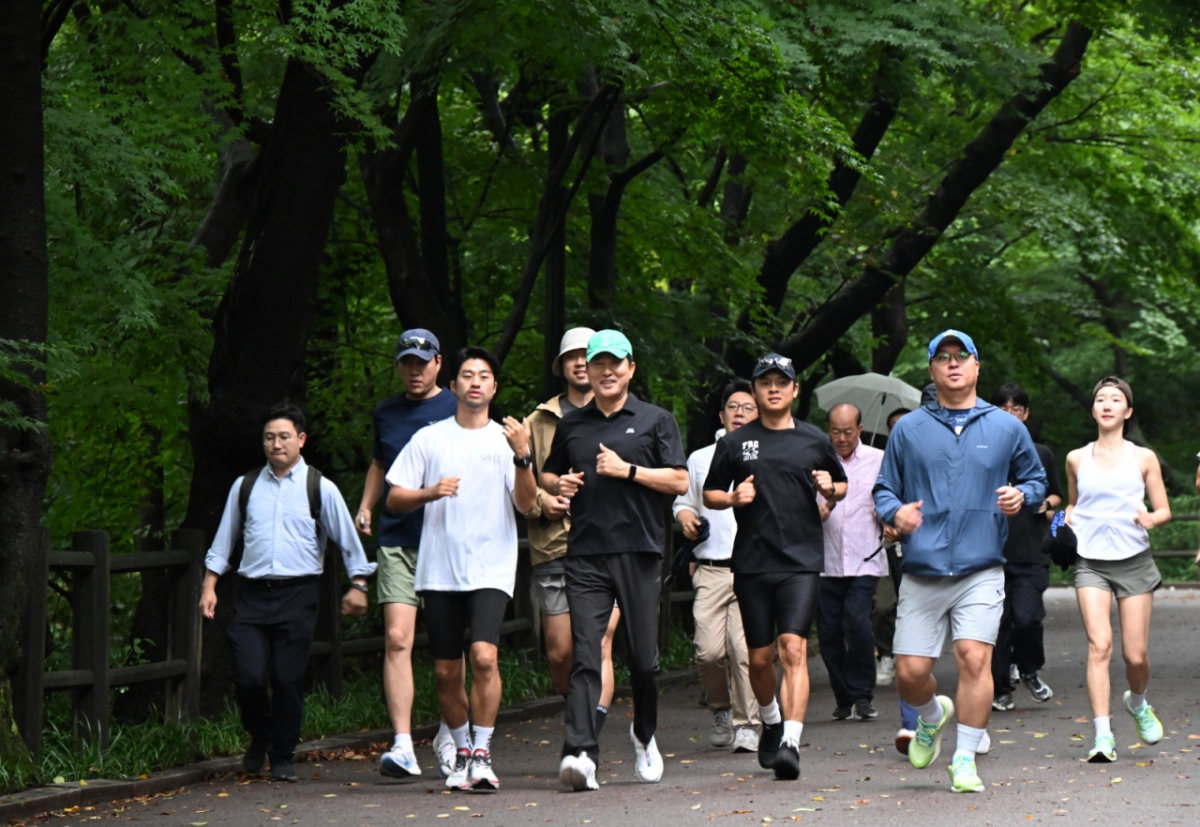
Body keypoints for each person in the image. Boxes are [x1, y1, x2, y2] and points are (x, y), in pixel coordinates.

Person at [873, 330, 1046, 794]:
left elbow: (1035, 480)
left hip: (982, 565)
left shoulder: (1007, 427)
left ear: (976, 366)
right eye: (942, 357)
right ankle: (932, 715)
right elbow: (883, 488)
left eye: (961, 356)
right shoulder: (909, 429)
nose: (953, 363)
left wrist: (1019, 495)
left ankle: (965, 759)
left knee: (974, 659)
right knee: (910, 674)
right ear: (931, 370)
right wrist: (896, 512)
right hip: (923, 568)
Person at [541, 330, 688, 792]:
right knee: (587, 655)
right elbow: (550, 471)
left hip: (640, 551)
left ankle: (644, 734)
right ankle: (581, 751)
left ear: (630, 370)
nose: (606, 371)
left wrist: (627, 470)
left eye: (615, 363)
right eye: (598, 363)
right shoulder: (573, 424)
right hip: (584, 553)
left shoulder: (655, 420)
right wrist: (557, 486)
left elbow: (681, 481)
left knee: (643, 661)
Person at [385, 346, 536, 791]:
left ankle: (483, 753)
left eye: (483, 375)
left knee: (484, 656)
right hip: (440, 570)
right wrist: (429, 493)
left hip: (491, 567)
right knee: (446, 671)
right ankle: (462, 750)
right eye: (467, 375)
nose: (475, 382)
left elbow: (527, 505)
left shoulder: (506, 440)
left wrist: (524, 456)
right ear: (452, 386)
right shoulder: (430, 439)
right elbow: (395, 497)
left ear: (493, 387)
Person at [200, 404, 376, 782]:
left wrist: (358, 583)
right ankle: (260, 735)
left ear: (301, 439)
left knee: (286, 677)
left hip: (298, 594)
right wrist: (210, 584)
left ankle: (282, 755)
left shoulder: (319, 487)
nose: (276, 444)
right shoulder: (245, 486)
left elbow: (347, 539)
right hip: (250, 594)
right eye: (269, 437)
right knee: (247, 676)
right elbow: (225, 538)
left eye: (283, 436)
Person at [704, 354, 848, 781]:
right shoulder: (734, 443)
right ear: (755, 391)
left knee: (794, 648)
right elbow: (710, 492)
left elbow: (839, 482)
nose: (773, 389)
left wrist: (830, 490)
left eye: (781, 382)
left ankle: (790, 741)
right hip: (752, 562)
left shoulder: (814, 440)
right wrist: (732, 500)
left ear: (794, 390)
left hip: (801, 561)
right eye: (764, 382)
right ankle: (770, 719)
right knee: (760, 659)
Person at [356, 329, 459, 779]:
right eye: (406, 363)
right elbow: (380, 465)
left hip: (449, 539)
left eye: (422, 362)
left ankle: (450, 731)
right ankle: (401, 745)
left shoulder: (459, 408)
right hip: (398, 538)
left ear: (438, 363)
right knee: (397, 638)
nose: (414, 371)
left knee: (449, 649)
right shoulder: (386, 413)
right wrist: (365, 505)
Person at [1064, 376, 1170, 763]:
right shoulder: (1077, 458)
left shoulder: (1143, 457)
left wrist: (1151, 520)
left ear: (1128, 411)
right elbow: (1075, 502)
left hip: (1134, 562)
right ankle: (1103, 736)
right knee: (1100, 645)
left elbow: (1164, 509)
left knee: (1135, 656)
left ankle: (1138, 703)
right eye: (1101, 399)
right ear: (1093, 410)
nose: (1107, 404)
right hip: (1091, 563)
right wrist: (1069, 516)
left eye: (1116, 399)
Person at [526, 328, 621, 731]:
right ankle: (578, 710)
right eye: (573, 356)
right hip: (555, 545)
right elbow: (519, 480)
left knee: (599, 641)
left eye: (590, 355)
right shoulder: (538, 421)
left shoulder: (624, 415)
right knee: (561, 652)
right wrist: (540, 503)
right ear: (561, 366)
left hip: (608, 543)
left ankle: (588, 728)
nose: (582, 362)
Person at [673, 379, 761, 753]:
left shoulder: (767, 453)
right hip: (709, 567)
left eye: (748, 407)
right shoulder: (700, 459)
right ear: (722, 413)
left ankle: (748, 724)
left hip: (752, 568)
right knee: (708, 651)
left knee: (744, 651)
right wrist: (686, 520)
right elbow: (682, 504)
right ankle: (721, 710)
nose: (740, 413)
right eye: (734, 407)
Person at [989, 383, 1063, 712]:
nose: (1010, 415)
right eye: (1003, 409)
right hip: (991, 553)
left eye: (1016, 409)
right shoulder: (983, 453)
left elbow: (1058, 498)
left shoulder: (1041, 453)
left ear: (1026, 413)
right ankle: (1000, 689)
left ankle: (1029, 668)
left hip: (1032, 553)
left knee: (1028, 619)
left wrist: (1045, 503)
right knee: (999, 625)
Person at [816, 403, 888, 722]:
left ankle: (862, 695)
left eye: (848, 431)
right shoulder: (815, 459)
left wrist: (885, 514)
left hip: (864, 558)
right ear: (827, 429)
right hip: (823, 560)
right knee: (829, 633)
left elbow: (889, 497)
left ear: (859, 429)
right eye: (835, 431)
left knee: (857, 624)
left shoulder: (878, 460)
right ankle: (843, 697)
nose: (842, 438)